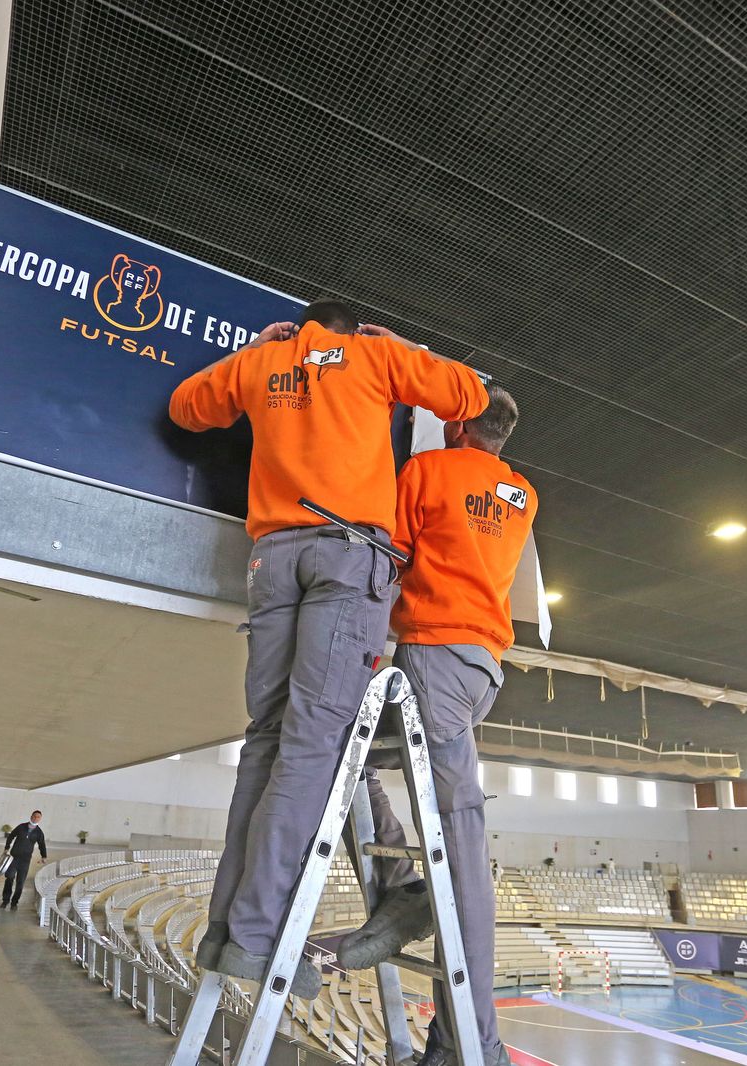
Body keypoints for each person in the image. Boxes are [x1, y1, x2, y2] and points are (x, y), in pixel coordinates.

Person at [169, 300, 488, 999]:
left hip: (273, 560)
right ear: (353, 331)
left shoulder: (263, 363)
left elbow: (186, 408)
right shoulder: (375, 356)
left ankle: (227, 931)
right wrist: (400, 342)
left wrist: (253, 350)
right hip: (346, 557)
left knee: (266, 739)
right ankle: (258, 936)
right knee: (313, 745)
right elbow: (471, 396)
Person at [333, 388, 533, 1066]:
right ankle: (405, 894)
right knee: (341, 752)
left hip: (436, 655)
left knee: (461, 844)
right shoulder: (521, 495)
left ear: (457, 425)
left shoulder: (428, 471)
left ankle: (470, 1046)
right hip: (483, 669)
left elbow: (388, 557)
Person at [0, 810, 47, 910]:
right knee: (9, 877)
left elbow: (42, 844)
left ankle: (14, 903)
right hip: (14, 858)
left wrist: (44, 856)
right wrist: (7, 847)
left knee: (20, 882)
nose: (36, 818)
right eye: (34, 816)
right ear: (31, 816)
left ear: (40, 819)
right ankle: (5, 900)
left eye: (38, 817)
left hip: (25, 860)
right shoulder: (21, 827)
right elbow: (11, 836)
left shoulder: (39, 832)